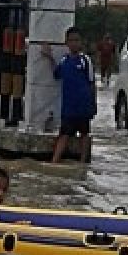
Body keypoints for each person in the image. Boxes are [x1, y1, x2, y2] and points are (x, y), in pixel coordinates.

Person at [40, 27, 97, 164]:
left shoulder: (85, 60)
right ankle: (54, 161)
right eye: (71, 40)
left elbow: (92, 83)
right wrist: (49, 56)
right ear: (66, 42)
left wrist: (93, 104)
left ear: (81, 42)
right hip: (68, 107)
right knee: (64, 134)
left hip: (83, 106)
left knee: (84, 134)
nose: (74, 43)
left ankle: (83, 163)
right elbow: (57, 74)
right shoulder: (64, 60)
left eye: (77, 40)